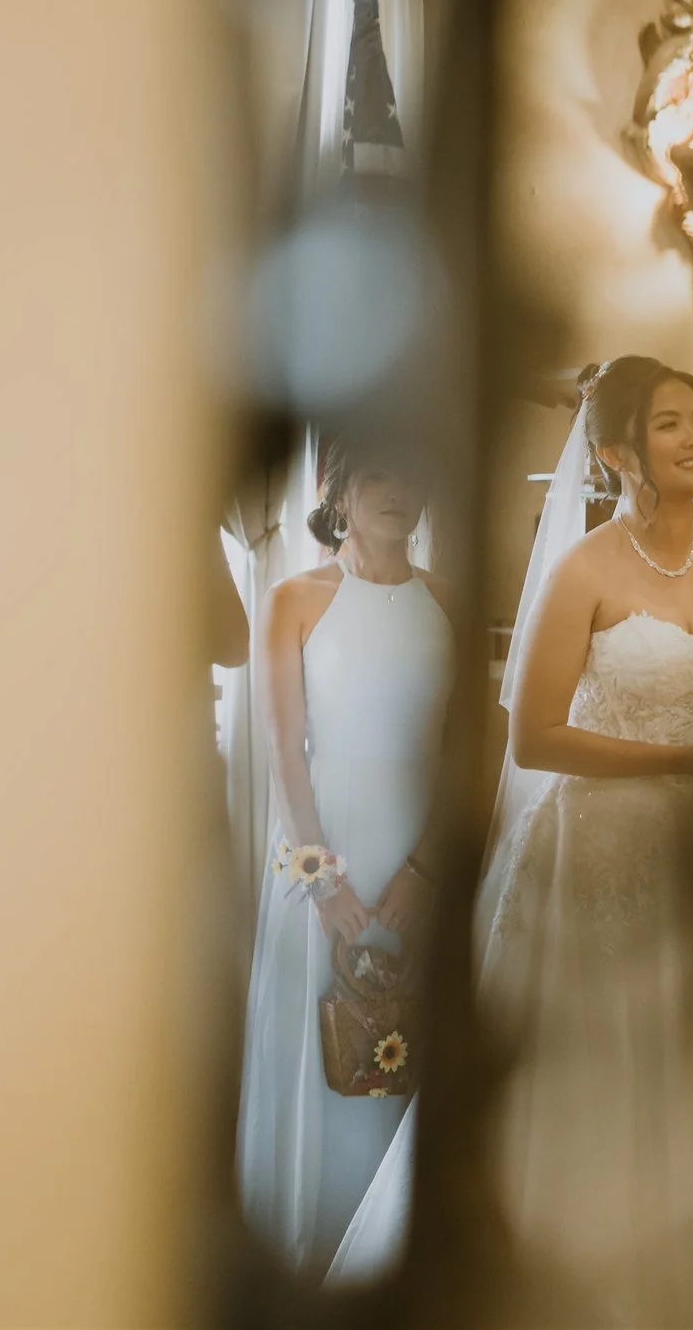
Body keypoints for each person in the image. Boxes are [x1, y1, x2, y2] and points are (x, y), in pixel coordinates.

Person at [329, 357, 693, 1323]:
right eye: (672, 424)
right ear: (614, 451)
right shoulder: (584, 570)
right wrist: (679, 762)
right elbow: (534, 736)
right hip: (595, 849)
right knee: (598, 1073)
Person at [236, 434, 453, 1274]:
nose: (396, 491)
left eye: (412, 474)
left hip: (413, 847)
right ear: (341, 490)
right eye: (377, 476)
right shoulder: (294, 597)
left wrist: (425, 869)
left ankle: (387, 1249)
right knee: (321, 1030)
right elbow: (285, 750)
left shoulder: (447, 601)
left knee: (400, 1040)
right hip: (318, 847)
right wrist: (323, 882)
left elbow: (455, 751)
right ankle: (308, 1245)